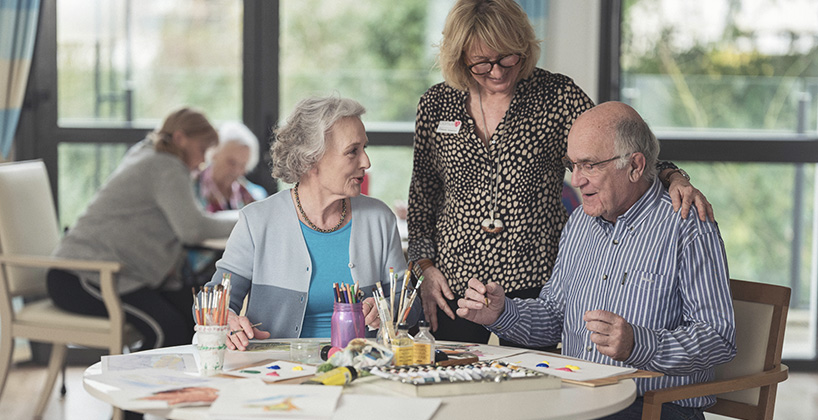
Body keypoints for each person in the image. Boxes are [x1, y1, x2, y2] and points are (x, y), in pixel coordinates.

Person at [408, 0, 714, 345]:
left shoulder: (555, 96)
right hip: (455, 281)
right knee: (454, 384)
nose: (497, 71)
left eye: (507, 56)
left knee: (530, 390)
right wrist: (425, 269)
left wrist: (674, 177)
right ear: (461, 57)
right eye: (482, 63)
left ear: (524, 47)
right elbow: (423, 196)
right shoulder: (436, 104)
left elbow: (614, 151)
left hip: (535, 277)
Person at [457, 101, 736, 420]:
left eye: (590, 165)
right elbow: (554, 316)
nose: (576, 180)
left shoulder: (687, 224)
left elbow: (719, 337)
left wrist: (638, 344)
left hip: (653, 407)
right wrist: (502, 311)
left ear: (635, 166)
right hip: (577, 400)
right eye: (572, 165)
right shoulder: (580, 223)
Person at [203, 96, 420, 351]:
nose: (366, 162)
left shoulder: (379, 219)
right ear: (311, 159)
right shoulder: (257, 221)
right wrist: (224, 318)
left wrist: (386, 309)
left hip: (361, 367)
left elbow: (410, 302)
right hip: (276, 369)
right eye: (353, 151)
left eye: (365, 148)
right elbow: (214, 298)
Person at [47, 107, 238, 351]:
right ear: (180, 138)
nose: (202, 161)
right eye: (202, 150)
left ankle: (177, 386)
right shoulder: (166, 166)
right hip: (83, 277)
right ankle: (140, 387)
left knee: (192, 316)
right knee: (168, 330)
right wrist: (244, 219)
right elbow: (192, 229)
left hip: (110, 276)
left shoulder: (146, 153)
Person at [194, 121, 267, 212]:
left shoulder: (255, 195)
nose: (236, 171)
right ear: (214, 154)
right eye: (231, 162)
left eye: (243, 165)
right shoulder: (192, 187)